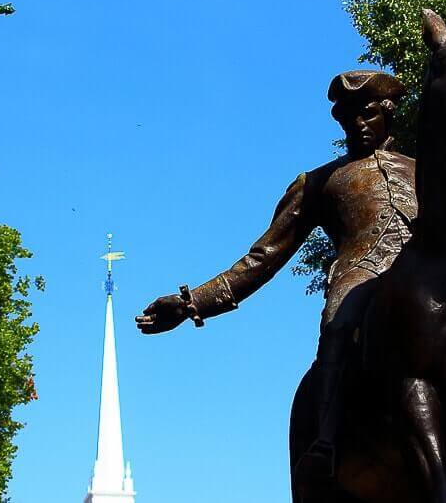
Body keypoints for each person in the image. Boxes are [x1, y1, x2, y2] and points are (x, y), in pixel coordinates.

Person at [135, 71, 417, 479]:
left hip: (425, 278)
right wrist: (191, 302)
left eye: (367, 114)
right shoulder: (318, 183)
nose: (357, 126)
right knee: (339, 321)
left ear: (387, 114)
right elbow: (262, 258)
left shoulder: (424, 171)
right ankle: (325, 443)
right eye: (347, 119)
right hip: (361, 275)